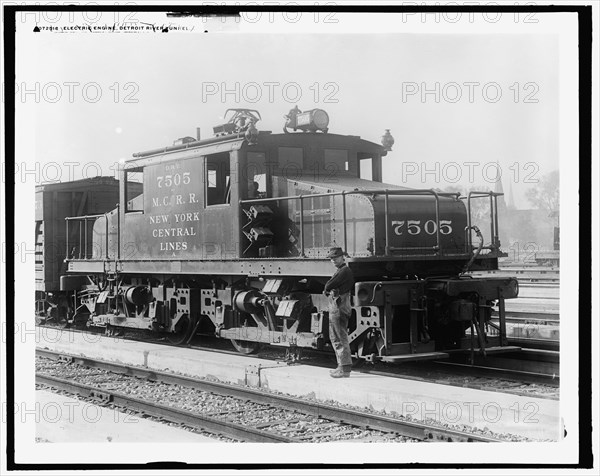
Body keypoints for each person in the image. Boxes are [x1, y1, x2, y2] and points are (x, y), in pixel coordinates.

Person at [323, 247, 354, 378]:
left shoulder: (344, 271)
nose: (333, 260)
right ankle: (341, 366)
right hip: (339, 305)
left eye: (335, 258)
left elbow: (329, 284)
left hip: (339, 306)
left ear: (343, 257)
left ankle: (344, 368)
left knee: (339, 337)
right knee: (337, 337)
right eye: (331, 259)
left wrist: (326, 289)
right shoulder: (342, 270)